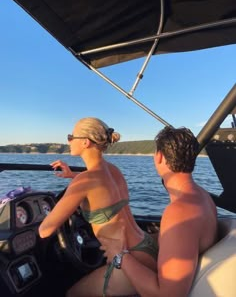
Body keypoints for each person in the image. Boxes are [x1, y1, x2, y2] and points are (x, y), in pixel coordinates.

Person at [38, 117, 157, 297]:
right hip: (146, 246)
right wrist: (72, 175)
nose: (68, 140)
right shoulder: (113, 170)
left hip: (127, 259)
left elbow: (45, 231)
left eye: (71, 136)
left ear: (85, 142)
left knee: (71, 293)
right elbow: (100, 183)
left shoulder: (83, 181)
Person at [99, 126, 218, 297]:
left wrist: (118, 255)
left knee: (75, 292)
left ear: (159, 157)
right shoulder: (203, 196)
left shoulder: (180, 212)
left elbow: (167, 295)